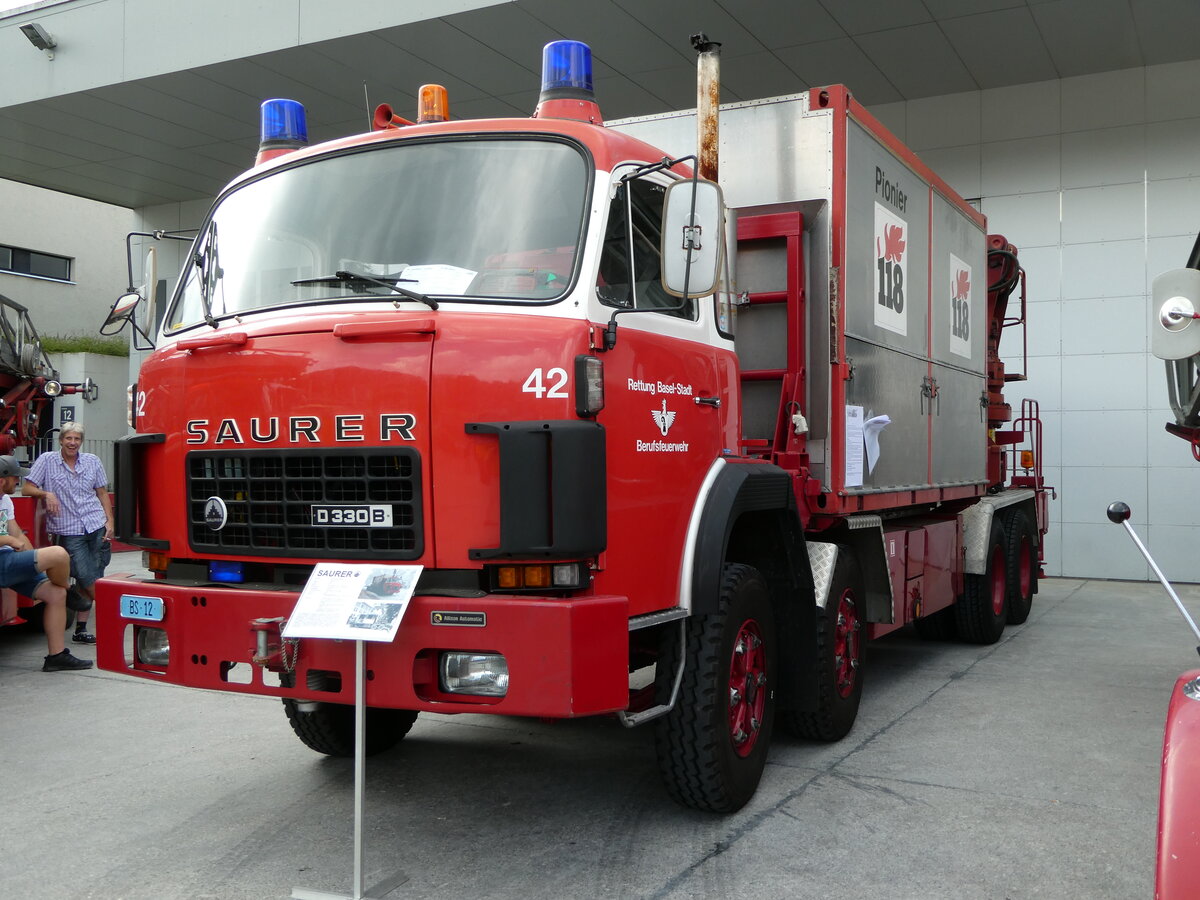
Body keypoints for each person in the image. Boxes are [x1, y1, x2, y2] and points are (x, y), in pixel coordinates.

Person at [23, 422, 114, 645]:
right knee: (87, 577)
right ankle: (113, 617)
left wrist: (110, 521)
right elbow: (26, 488)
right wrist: (47, 494)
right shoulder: (47, 460)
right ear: (61, 440)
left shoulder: (92, 461)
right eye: (69, 438)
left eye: (77, 439)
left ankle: (81, 629)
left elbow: (102, 493)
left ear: (81, 441)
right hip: (69, 529)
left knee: (92, 575)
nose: (73, 443)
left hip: (96, 524)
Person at [0, 455, 92, 671]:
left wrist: (34, 561)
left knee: (55, 594)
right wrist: (9, 541)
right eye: (15, 478)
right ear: (3, 480)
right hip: (2, 559)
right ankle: (70, 590)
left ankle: (56, 656)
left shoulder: (5, 500)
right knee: (59, 554)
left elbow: (18, 534)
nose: (18, 482)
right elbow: (13, 538)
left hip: (8, 560)